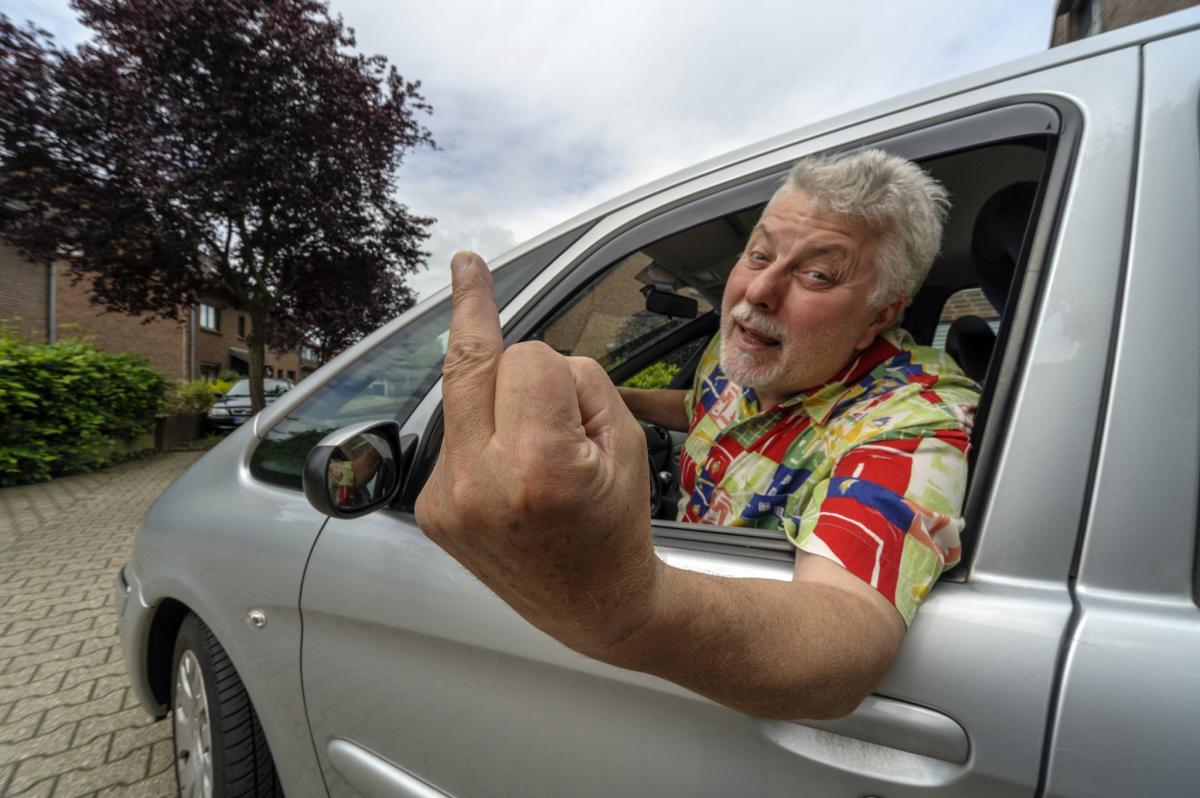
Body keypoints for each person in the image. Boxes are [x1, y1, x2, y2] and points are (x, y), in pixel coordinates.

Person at [415, 150, 979, 721]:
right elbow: (703, 404)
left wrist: (624, 603)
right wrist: (612, 397)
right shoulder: (749, 350)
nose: (758, 290)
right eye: (759, 254)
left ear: (879, 316)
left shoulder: (917, 416)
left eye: (817, 275)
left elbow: (849, 635)